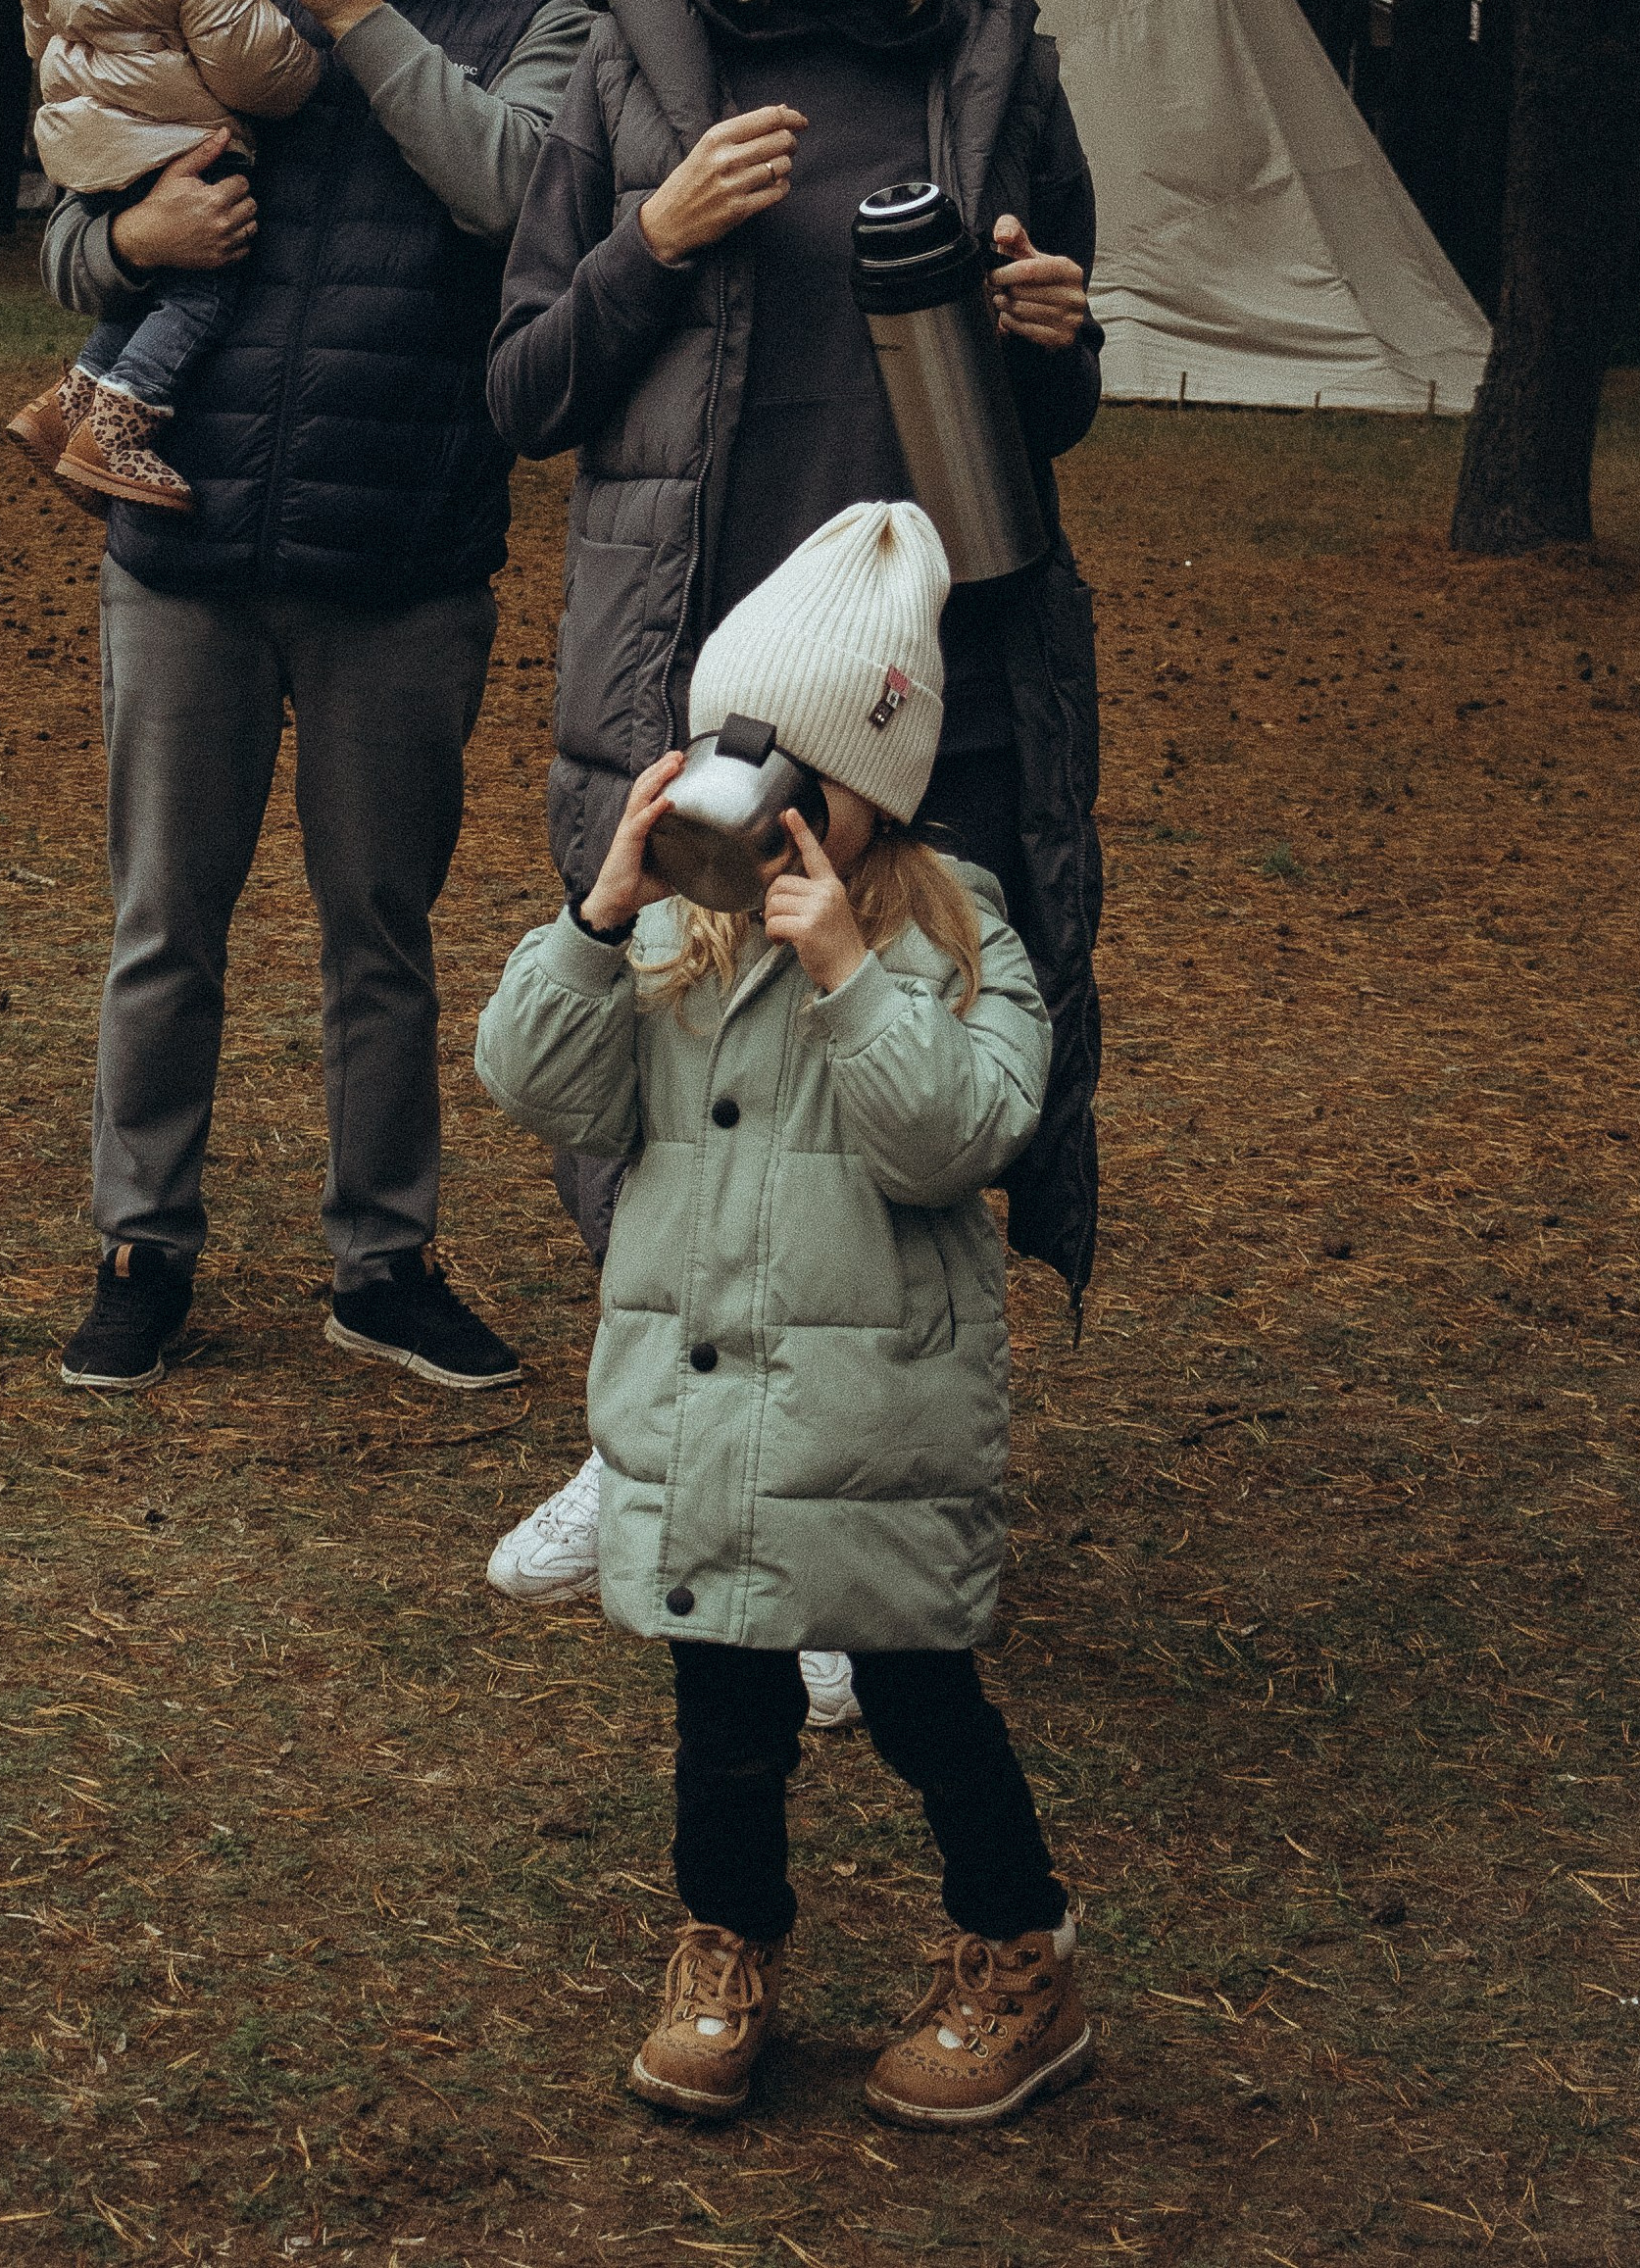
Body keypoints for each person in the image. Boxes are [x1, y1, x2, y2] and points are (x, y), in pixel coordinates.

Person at [480, 0, 1105, 1662]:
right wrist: (652, 242)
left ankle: (837, 1521)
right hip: (691, 646)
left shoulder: (986, 52)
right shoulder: (636, 64)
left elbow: (1063, 388)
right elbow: (525, 387)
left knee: (872, 1039)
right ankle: (646, 1450)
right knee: (673, 1050)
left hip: (932, 667)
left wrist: (1057, 332)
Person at [474, 504, 1093, 2128]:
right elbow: (531, 1084)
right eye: (716, 753)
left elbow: (959, 1135)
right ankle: (722, 1945)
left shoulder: (952, 935)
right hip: (706, 1409)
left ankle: (1017, 1958)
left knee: (918, 1702)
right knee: (723, 1714)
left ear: (861, 785)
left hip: (871, 1433)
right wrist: (598, 917)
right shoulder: (675, 929)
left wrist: (845, 977)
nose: (738, 795)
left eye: (774, 763)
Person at [42, 0, 594, 1399]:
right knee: (162, 924)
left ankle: (383, 1261)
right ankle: (144, 1246)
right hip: (181, 554)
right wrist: (137, 232)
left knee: (381, 934)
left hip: (401, 561)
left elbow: (520, 196)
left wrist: (353, 12)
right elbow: (65, 256)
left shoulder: (535, 19)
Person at [3, 0, 324, 513]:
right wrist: (306, 62)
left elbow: (40, 43)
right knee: (204, 291)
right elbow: (253, 75)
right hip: (185, 141)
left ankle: (69, 403)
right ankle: (120, 429)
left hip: (91, 150)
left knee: (158, 286)